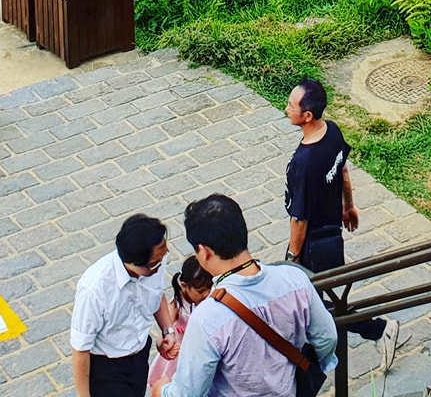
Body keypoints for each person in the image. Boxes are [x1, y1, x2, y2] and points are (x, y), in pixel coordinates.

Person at [162, 194, 340, 397]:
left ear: (204, 252)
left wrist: (162, 389)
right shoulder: (295, 280)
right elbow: (327, 338)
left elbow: (187, 393)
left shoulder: (207, 318)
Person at [283, 82, 396, 364]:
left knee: (321, 304)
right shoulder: (331, 131)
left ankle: (379, 329)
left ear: (307, 116)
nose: (287, 108)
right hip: (331, 230)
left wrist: (292, 258)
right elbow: (342, 169)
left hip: (314, 242)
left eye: (292, 105)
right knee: (319, 300)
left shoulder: (305, 162)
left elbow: (300, 218)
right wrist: (349, 205)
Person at [70, 214, 178, 397]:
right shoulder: (95, 289)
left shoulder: (157, 260)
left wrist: (168, 330)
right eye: (154, 264)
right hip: (107, 369)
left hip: (140, 355)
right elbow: (80, 349)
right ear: (134, 262)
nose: (161, 264)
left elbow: (156, 293)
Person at [146, 256, 214, 397]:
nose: (206, 295)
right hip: (181, 354)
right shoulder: (178, 303)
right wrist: (163, 345)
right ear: (184, 286)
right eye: (201, 291)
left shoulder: (210, 300)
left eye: (209, 289)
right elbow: (164, 332)